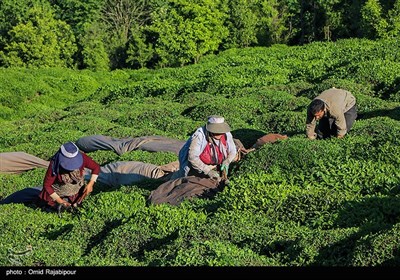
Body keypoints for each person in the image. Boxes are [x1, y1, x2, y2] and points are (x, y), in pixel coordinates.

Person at [38, 141, 100, 210]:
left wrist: (91, 183)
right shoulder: (55, 164)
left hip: (76, 190)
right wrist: (60, 200)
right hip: (58, 192)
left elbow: (96, 167)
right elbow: (47, 185)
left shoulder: (83, 157)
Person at [172, 115, 237, 180]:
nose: (219, 134)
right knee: (184, 179)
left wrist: (227, 161)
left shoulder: (226, 134)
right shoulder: (199, 135)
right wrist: (207, 171)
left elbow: (233, 150)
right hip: (197, 164)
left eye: (220, 131)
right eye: (216, 131)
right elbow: (192, 157)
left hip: (213, 161)